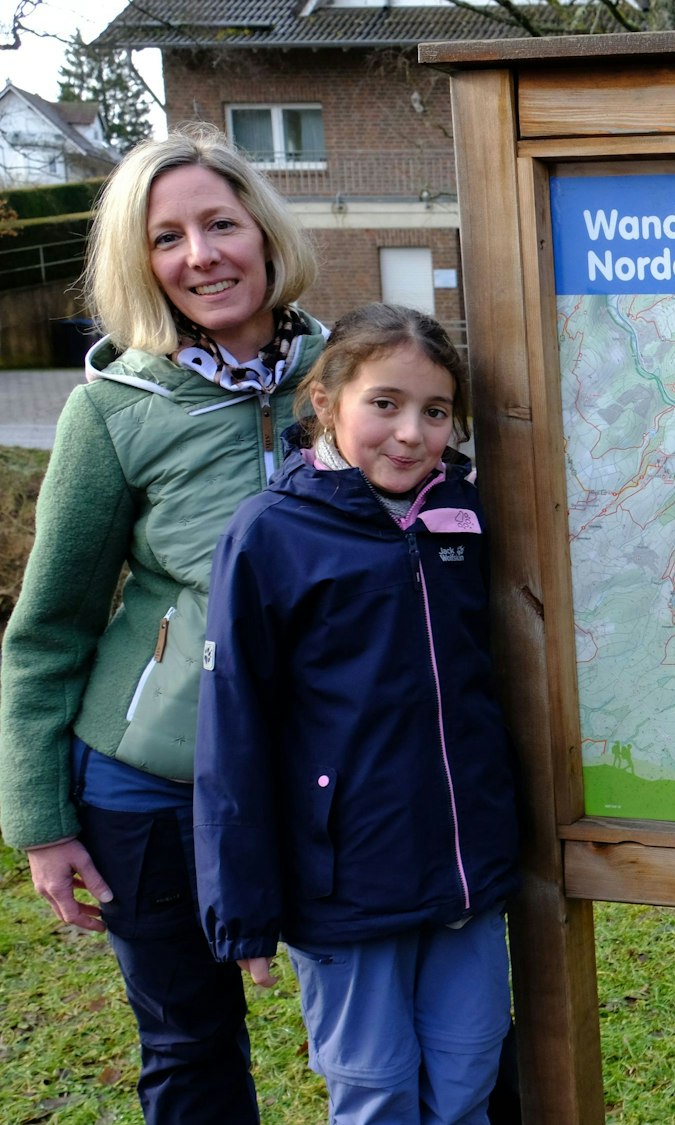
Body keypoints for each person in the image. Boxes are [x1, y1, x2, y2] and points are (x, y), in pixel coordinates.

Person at [0, 123, 324, 1123]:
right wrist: (41, 824)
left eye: (219, 224)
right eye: (166, 237)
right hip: (150, 788)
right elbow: (48, 628)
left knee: (393, 1017)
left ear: (262, 232)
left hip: (330, 774)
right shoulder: (113, 411)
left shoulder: (355, 374)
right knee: (189, 1046)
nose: (200, 255)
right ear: (140, 263)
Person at [195, 303, 519, 1124]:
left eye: (435, 411)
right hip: (346, 887)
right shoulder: (270, 534)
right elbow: (233, 726)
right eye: (385, 402)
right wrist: (243, 904)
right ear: (325, 398)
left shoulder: (469, 518)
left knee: (466, 1082)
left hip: (462, 880)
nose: (411, 433)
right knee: (375, 1092)